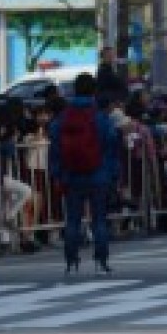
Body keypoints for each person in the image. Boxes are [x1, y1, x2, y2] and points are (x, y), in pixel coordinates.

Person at [48, 71, 122, 274]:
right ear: (94, 91)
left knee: (72, 219)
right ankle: (102, 259)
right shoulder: (100, 118)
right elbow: (112, 145)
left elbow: (55, 147)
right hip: (98, 174)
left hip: (72, 175)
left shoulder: (64, 118)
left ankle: (71, 260)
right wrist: (113, 173)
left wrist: (57, 173)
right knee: (99, 219)